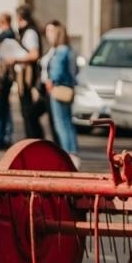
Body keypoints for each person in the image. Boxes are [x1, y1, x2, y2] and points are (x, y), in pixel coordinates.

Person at [3, 5, 47, 140]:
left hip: (29, 78)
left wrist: (15, 59)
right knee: (27, 113)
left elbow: (34, 54)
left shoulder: (30, 33)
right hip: (25, 77)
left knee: (28, 113)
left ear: (20, 17)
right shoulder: (26, 32)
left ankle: (34, 142)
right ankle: (32, 141)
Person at [41, 20, 79, 162]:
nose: (48, 35)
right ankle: (73, 152)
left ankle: (69, 153)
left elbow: (56, 72)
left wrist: (51, 82)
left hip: (59, 89)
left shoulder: (60, 51)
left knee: (61, 123)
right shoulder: (69, 49)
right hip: (68, 88)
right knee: (68, 122)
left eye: (50, 32)